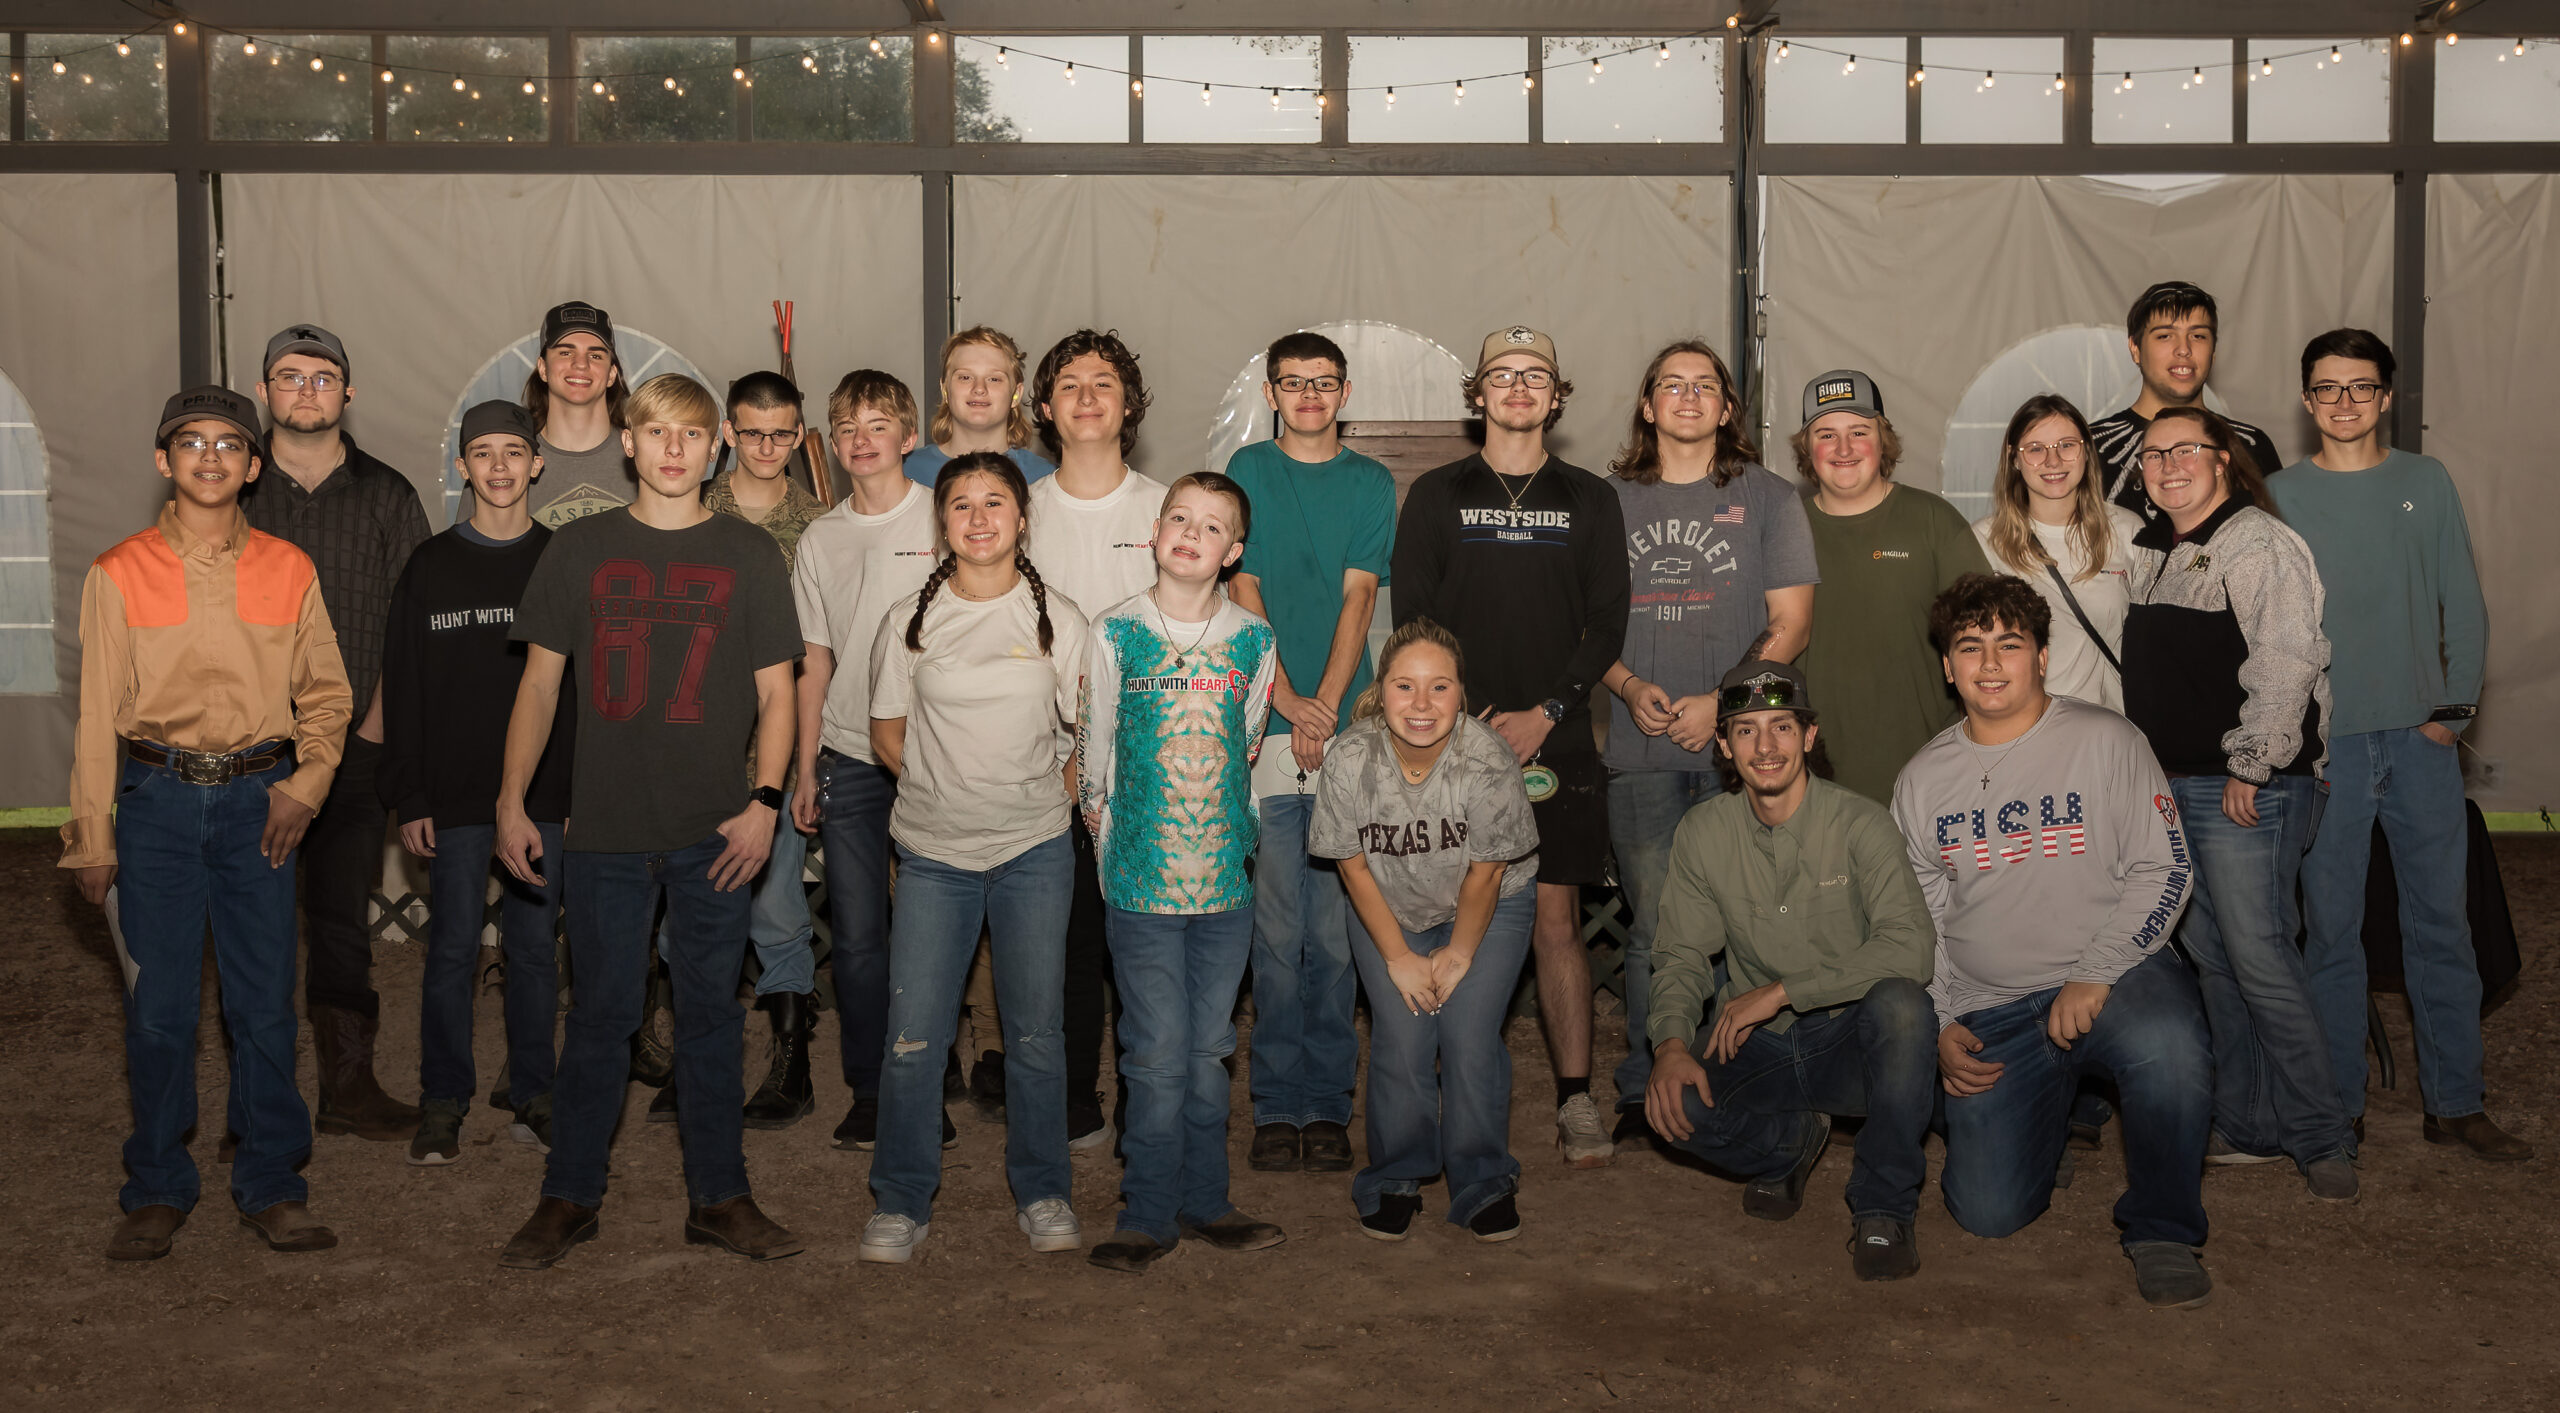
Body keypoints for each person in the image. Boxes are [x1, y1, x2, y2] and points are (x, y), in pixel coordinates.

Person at [493, 374, 805, 1270]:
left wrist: (765, 804)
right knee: (600, 1018)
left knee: (710, 1017)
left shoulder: (749, 553)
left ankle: (719, 1195)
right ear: (627, 442)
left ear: (714, 448)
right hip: (605, 830)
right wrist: (512, 798)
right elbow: (539, 684)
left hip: (717, 829)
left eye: (692, 435)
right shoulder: (579, 547)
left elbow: (778, 694)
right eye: (658, 432)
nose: (675, 449)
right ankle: (568, 1193)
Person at [69, 386, 353, 1259]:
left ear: (252, 466)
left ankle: (272, 1182)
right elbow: (95, 715)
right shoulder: (118, 571)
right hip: (154, 805)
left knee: (264, 1004)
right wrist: (92, 835)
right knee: (158, 1010)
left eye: (229, 444)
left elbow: (327, 693)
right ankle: (158, 1183)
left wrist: (306, 784)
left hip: (259, 805)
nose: (210, 457)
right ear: (164, 459)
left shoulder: (289, 568)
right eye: (190, 442)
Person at [1894, 573, 2213, 1309]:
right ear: (1947, 666)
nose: (1990, 663)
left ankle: (2163, 1230)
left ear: (2041, 656)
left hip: (2116, 979)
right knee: (1987, 1212)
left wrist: (2095, 972)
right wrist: (1941, 1018)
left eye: (2009, 643)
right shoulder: (1921, 780)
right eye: (1969, 646)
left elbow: (2165, 868)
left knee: (2170, 1047)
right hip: (1993, 1003)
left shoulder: (2108, 739)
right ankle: (2050, 1116)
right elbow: (1918, 918)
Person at [2270, 330, 2525, 1161]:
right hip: (2328, 747)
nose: (2344, 401)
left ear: (2386, 397)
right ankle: (2337, 1106)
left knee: (2441, 924)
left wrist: (2452, 713)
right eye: (2327, 387)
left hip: (2420, 741)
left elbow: (2462, 597)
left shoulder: (2426, 481)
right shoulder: (2278, 497)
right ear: (2307, 400)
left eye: (2360, 386)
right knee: (2331, 930)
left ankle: (2454, 1101)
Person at [1391, 326, 1629, 1170]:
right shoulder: (1437, 494)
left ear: (1556, 396)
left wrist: (1548, 712)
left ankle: (1576, 1100)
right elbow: (1413, 617)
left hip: (1555, 740)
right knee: (1442, 914)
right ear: (1479, 393)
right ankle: (1436, 1100)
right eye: (1502, 374)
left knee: (1556, 921)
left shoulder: (1591, 498)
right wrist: (1460, 716)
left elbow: (1607, 624)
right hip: (1451, 738)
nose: (1519, 386)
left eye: (1536, 375)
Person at [858, 453, 1092, 1264]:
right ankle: (900, 1199)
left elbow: (1089, 732)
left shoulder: (1058, 618)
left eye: (996, 502)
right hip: (932, 855)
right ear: (943, 522)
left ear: (1022, 518)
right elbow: (887, 732)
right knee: (913, 1037)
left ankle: (1044, 1190)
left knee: (1035, 1035)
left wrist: (1050, 796)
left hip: (1034, 852)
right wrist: (941, 787)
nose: (980, 517)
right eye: (962, 504)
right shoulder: (910, 620)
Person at [2122, 405, 2358, 1198]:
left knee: (2260, 958)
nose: (2168, 465)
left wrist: (2252, 765)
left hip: (2246, 788)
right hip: (2174, 786)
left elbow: (2288, 659)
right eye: (2154, 454)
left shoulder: (2258, 542)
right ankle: (2251, 1124)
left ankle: (2322, 1132)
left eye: (2185, 449)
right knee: (2217, 961)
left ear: (2223, 459)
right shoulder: (2153, 548)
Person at [1644, 660, 1937, 1281]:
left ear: (1809, 735)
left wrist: (1782, 992)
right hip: (1761, 1046)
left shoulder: (1861, 823)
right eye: (1746, 730)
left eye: (1781, 727)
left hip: (1850, 1042)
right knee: (1668, 1101)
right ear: (1724, 745)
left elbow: (1910, 948)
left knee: (1904, 1008)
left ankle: (1884, 1207)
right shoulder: (1704, 831)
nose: (1766, 746)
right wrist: (1669, 1044)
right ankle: (1789, 1144)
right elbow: (1682, 953)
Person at [1599, 339, 1818, 1138]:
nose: (1688, 397)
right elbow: (1583, 624)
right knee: (1657, 927)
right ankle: (1645, 1086)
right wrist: (1628, 685)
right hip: (1642, 751)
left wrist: (1721, 706)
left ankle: (1742, 1078)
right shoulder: (1607, 501)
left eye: (1705, 386)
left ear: (1728, 408)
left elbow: (1792, 623)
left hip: (1747, 754)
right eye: (1672, 384)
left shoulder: (1770, 498)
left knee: (1756, 923)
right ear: (1648, 404)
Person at [1077, 473, 1287, 1272]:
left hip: (1225, 883)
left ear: (1233, 551)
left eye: (1212, 525)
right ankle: (1147, 1210)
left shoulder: (1253, 640)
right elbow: (1094, 747)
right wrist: (1113, 841)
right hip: (1140, 881)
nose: (1192, 533)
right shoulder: (1116, 630)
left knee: (1208, 1049)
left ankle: (1207, 1200)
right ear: (1155, 532)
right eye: (1179, 518)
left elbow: (1248, 737)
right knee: (1157, 1050)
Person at [240, 323, 431, 1146]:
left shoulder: (388, 494)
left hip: (354, 745)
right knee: (253, 925)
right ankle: (258, 1096)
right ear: (264, 392)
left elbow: (413, 620)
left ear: (347, 393)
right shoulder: (234, 487)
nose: (307, 390)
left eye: (323, 377)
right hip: (248, 750)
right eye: (290, 376)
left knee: (343, 919)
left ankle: (349, 1087)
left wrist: (378, 729)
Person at [379, 401, 575, 1166]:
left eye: (513, 452)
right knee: (452, 950)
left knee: (534, 950)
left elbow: (578, 690)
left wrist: (574, 793)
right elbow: (404, 684)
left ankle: (533, 1091)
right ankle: (443, 1099)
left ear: (537, 464)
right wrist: (410, 793)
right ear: (462, 465)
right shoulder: (429, 566)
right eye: (483, 453)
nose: (499, 466)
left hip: (543, 795)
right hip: (453, 793)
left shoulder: (560, 560)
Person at [1221, 330, 1395, 1176]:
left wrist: (1324, 707)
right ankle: (1275, 1104)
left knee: (1333, 932)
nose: (1310, 396)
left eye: (1324, 382)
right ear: (1271, 393)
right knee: (1275, 926)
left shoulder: (1370, 482)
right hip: (1264, 723)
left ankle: (1327, 1103)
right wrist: (1284, 699)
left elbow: (1360, 598)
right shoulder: (1248, 471)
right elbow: (1244, 586)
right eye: (1294, 383)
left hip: (1346, 730)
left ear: (1345, 391)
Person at [1309, 618, 1541, 1242]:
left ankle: (1482, 1179)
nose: (1421, 703)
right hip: (1388, 903)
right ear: (1381, 689)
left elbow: (1489, 873)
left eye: (1440, 687)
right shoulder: (1350, 758)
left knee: (1467, 1033)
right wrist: (1399, 958)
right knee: (1405, 1032)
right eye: (1404, 685)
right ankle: (1395, 1174)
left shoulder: (1486, 757)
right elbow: (1351, 866)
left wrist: (1459, 954)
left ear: (1461, 693)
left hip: (1489, 903)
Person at [791, 370, 941, 1149]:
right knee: (856, 935)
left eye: (879, 423)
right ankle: (872, 1090)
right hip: (849, 755)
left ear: (909, 436)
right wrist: (803, 764)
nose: (861, 438)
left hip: (937, 754)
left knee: (931, 932)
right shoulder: (821, 537)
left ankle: (926, 1085)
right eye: (847, 426)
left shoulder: (945, 516)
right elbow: (813, 659)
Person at [1029, 328, 1169, 1150]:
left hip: (1149, 764)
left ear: (1130, 404)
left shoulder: (1166, 508)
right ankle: (1073, 1094)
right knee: (1067, 940)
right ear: (1045, 408)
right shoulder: (1017, 509)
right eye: (1069, 384)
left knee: (1143, 949)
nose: (1087, 396)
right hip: (1043, 765)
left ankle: (1144, 1105)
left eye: (1104, 382)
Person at [700, 371, 828, 1129]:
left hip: (772, 756)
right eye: (753, 432)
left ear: (800, 435)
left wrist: (804, 764)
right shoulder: (690, 509)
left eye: (782, 434)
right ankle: (696, 1060)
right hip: (694, 749)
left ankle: (791, 1065)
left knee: (778, 908)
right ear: (728, 432)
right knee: (688, 913)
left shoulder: (818, 527)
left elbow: (819, 657)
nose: (768, 447)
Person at [1791, 370, 1992, 804]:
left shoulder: (1933, 521)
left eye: (1859, 432)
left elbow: (1987, 641)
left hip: (1930, 778)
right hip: (1813, 782)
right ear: (1807, 447)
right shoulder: (1783, 530)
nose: (1843, 449)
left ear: (1883, 440)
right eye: (1826, 435)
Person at [1969, 393, 2143, 711]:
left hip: (2114, 723)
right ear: (2014, 458)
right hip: (2026, 725)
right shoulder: (1984, 541)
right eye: (2035, 449)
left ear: (2086, 451)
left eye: (2067, 445)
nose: (2053, 461)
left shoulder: (2126, 530)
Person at [2086, 281, 2285, 520]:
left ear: (2213, 351)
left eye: (2198, 336)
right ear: (2135, 349)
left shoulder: (2249, 445)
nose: (2184, 349)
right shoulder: (2089, 447)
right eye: (2165, 336)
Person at [521, 300, 633, 528]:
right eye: (565, 352)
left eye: (595, 356)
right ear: (543, 368)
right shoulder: (509, 461)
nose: (581, 364)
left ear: (612, 374)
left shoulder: (646, 458)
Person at [904, 324, 1058, 488]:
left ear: (1016, 394)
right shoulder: (904, 471)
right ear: (945, 390)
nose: (979, 388)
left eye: (994, 379)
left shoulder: (1045, 479)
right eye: (965, 377)